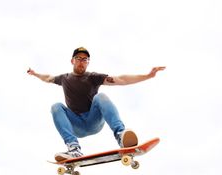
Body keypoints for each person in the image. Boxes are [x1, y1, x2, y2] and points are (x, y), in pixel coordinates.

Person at [27, 47, 165, 161]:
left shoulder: (93, 77)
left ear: (88, 63)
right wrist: (35, 74)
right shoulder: (64, 78)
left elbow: (120, 80)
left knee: (101, 96)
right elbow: (48, 78)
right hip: (76, 125)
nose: (82, 62)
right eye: (79, 59)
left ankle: (121, 135)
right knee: (56, 106)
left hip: (94, 121)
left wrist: (147, 76)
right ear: (72, 61)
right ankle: (73, 148)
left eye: (85, 60)